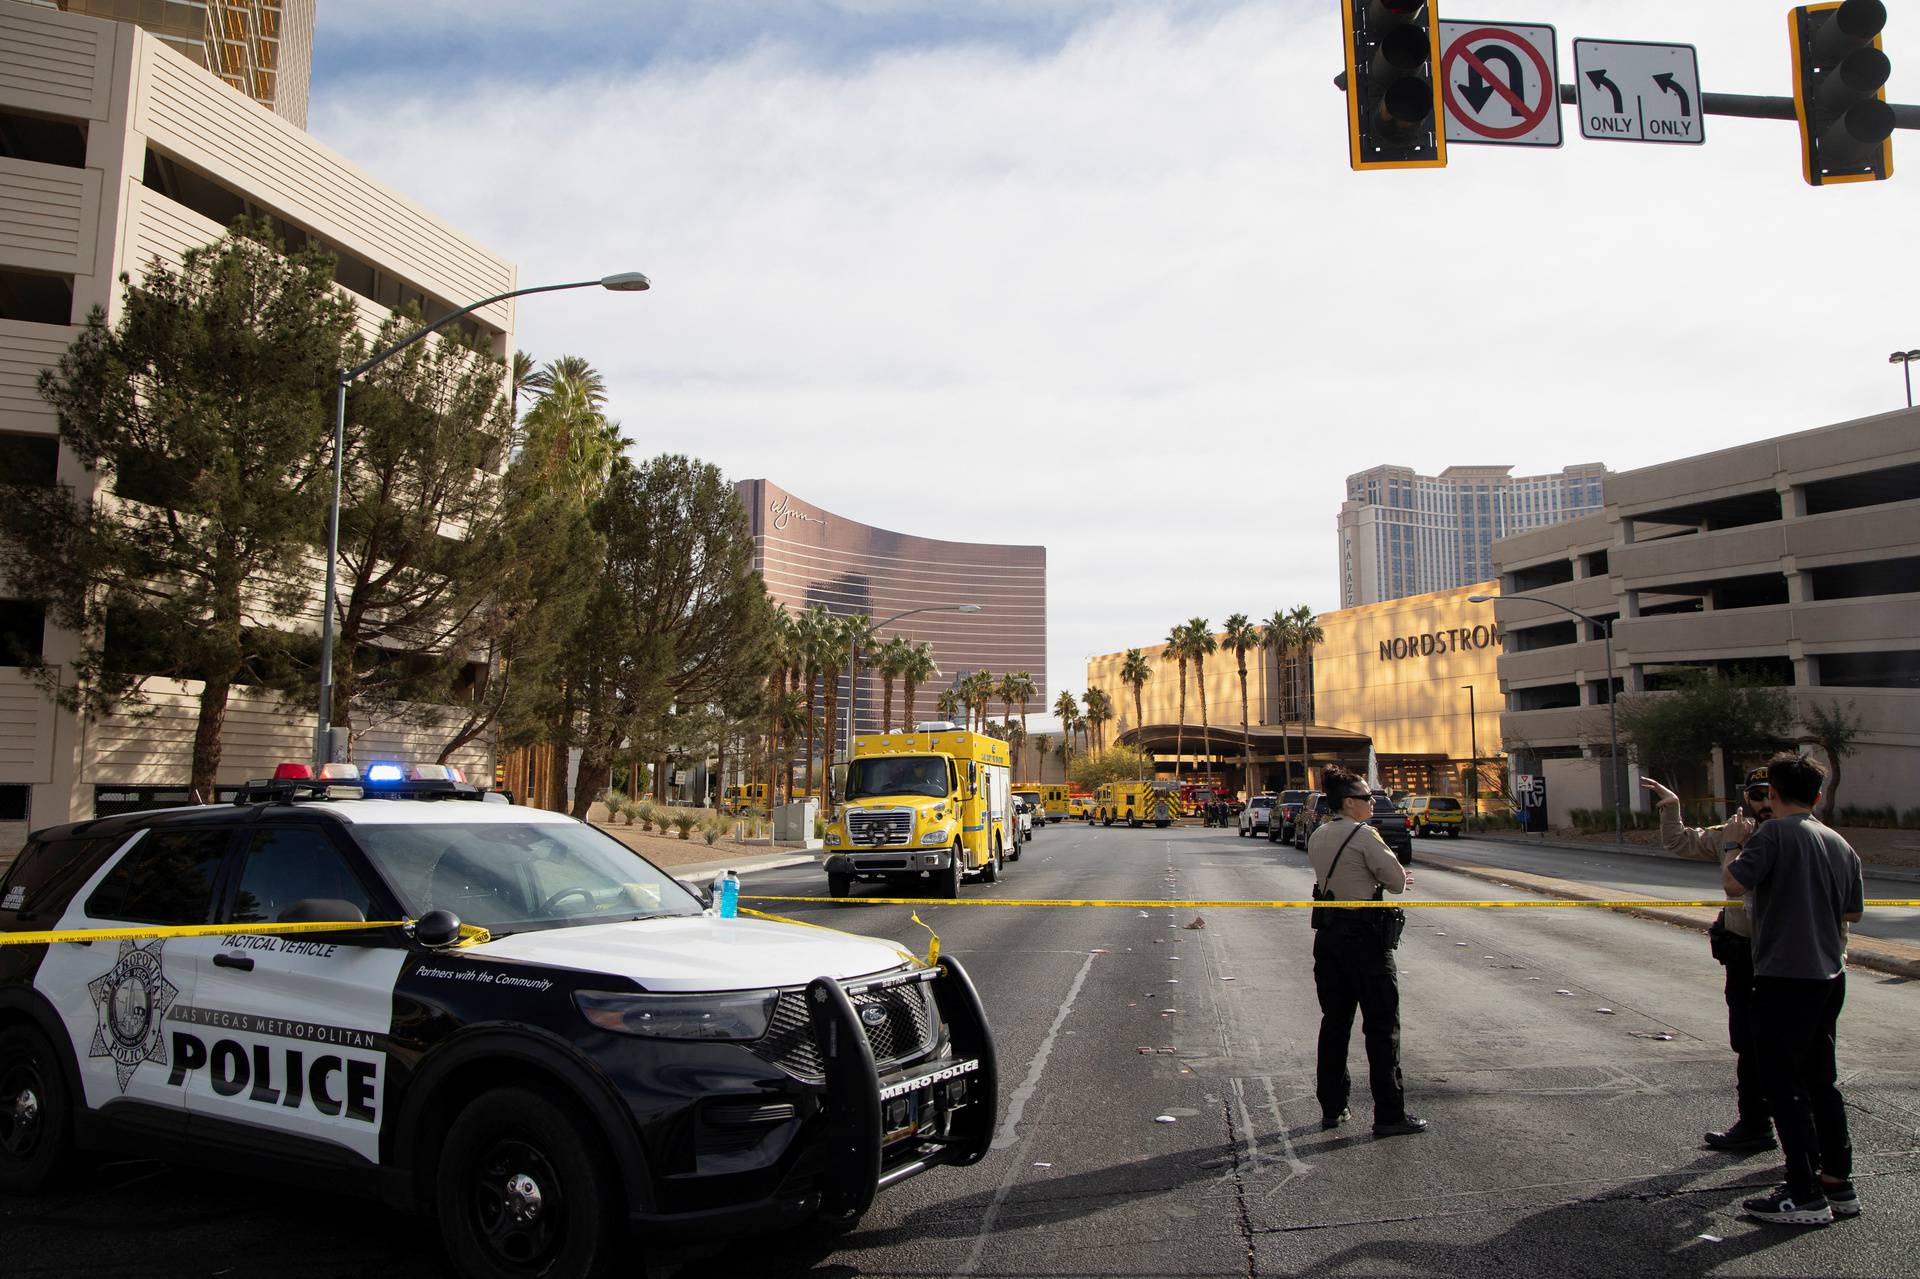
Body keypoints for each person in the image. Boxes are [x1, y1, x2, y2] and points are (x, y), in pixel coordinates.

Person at [1722, 752, 1866, 1228]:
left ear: (1775, 794)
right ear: (1819, 796)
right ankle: (1837, 1181)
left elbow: (1732, 885)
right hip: (1830, 973)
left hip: (1784, 976)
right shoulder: (1839, 843)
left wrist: (1733, 846)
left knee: (1784, 1086)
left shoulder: (1771, 834)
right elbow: (1852, 913)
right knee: (1821, 1080)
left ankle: (1802, 1191)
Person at [1641, 769, 1774, 1153]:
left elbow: (1738, 883)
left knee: (1784, 1048)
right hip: (1743, 951)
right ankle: (1754, 1124)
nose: (1764, 803)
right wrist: (1672, 808)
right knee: (1747, 1044)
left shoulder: (1786, 836)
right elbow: (1679, 843)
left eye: (1770, 794)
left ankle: (1807, 1151)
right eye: (1756, 795)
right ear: (1747, 798)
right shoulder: (1733, 833)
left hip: (1781, 954)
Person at [1308, 765, 1426, 1137]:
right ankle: (1389, 1114)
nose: (1372, 801)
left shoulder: (1320, 834)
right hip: (1365, 938)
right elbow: (1395, 882)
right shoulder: (1364, 835)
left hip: (1328, 937)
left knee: (1334, 1023)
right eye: (1366, 796)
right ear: (1348, 802)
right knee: (1381, 1027)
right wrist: (1395, 877)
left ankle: (1332, 1106)